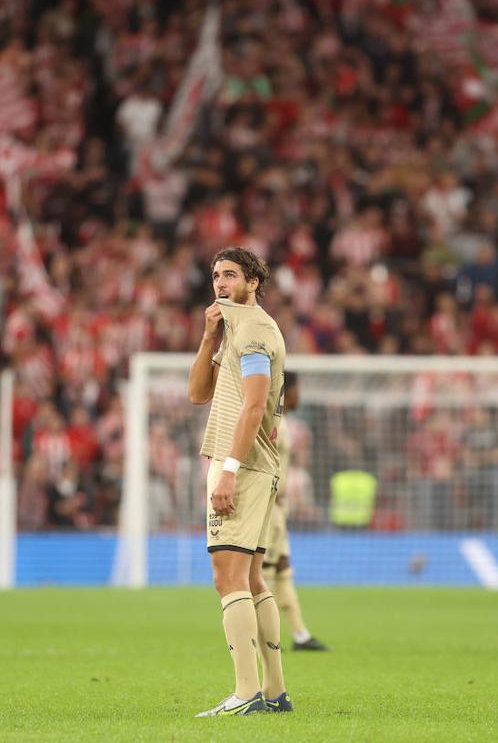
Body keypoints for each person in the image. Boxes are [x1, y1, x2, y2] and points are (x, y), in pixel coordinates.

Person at [187, 247, 290, 717]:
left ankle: (245, 692)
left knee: (226, 577)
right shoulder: (232, 330)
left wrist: (227, 470)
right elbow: (196, 394)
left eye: (230, 274)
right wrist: (208, 337)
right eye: (215, 276)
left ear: (253, 282)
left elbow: (254, 405)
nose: (219, 283)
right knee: (250, 577)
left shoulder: (252, 331)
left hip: (242, 466)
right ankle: (273, 691)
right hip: (251, 464)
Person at [260, 371, 330, 651]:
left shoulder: (284, 422)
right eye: (298, 389)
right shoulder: (273, 422)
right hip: (268, 508)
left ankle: (300, 635)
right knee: (264, 572)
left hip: (279, 508)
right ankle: (256, 635)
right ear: (287, 391)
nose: (301, 395)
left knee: (282, 570)